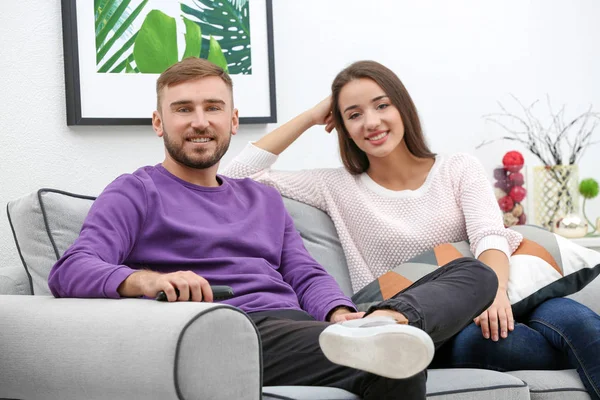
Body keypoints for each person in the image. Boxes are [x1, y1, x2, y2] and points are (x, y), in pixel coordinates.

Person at [48, 57, 500, 400]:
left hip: (300, 328)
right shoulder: (136, 191)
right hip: (224, 327)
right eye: (183, 109)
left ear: (233, 121)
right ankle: (378, 338)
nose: (200, 121)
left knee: (477, 273)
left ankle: (383, 321)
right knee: (394, 362)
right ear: (158, 122)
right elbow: (71, 269)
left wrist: (340, 313)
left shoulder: (261, 198)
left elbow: (304, 273)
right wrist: (147, 280)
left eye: (213, 108)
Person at [222, 60, 600, 399]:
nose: (371, 122)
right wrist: (310, 115)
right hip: (433, 326)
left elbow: (489, 234)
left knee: (577, 319)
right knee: (499, 343)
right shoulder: (334, 186)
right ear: (342, 128)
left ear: (403, 108)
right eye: (353, 115)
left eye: (382, 105)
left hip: (504, 294)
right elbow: (236, 176)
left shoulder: (457, 168)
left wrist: (496, 291)